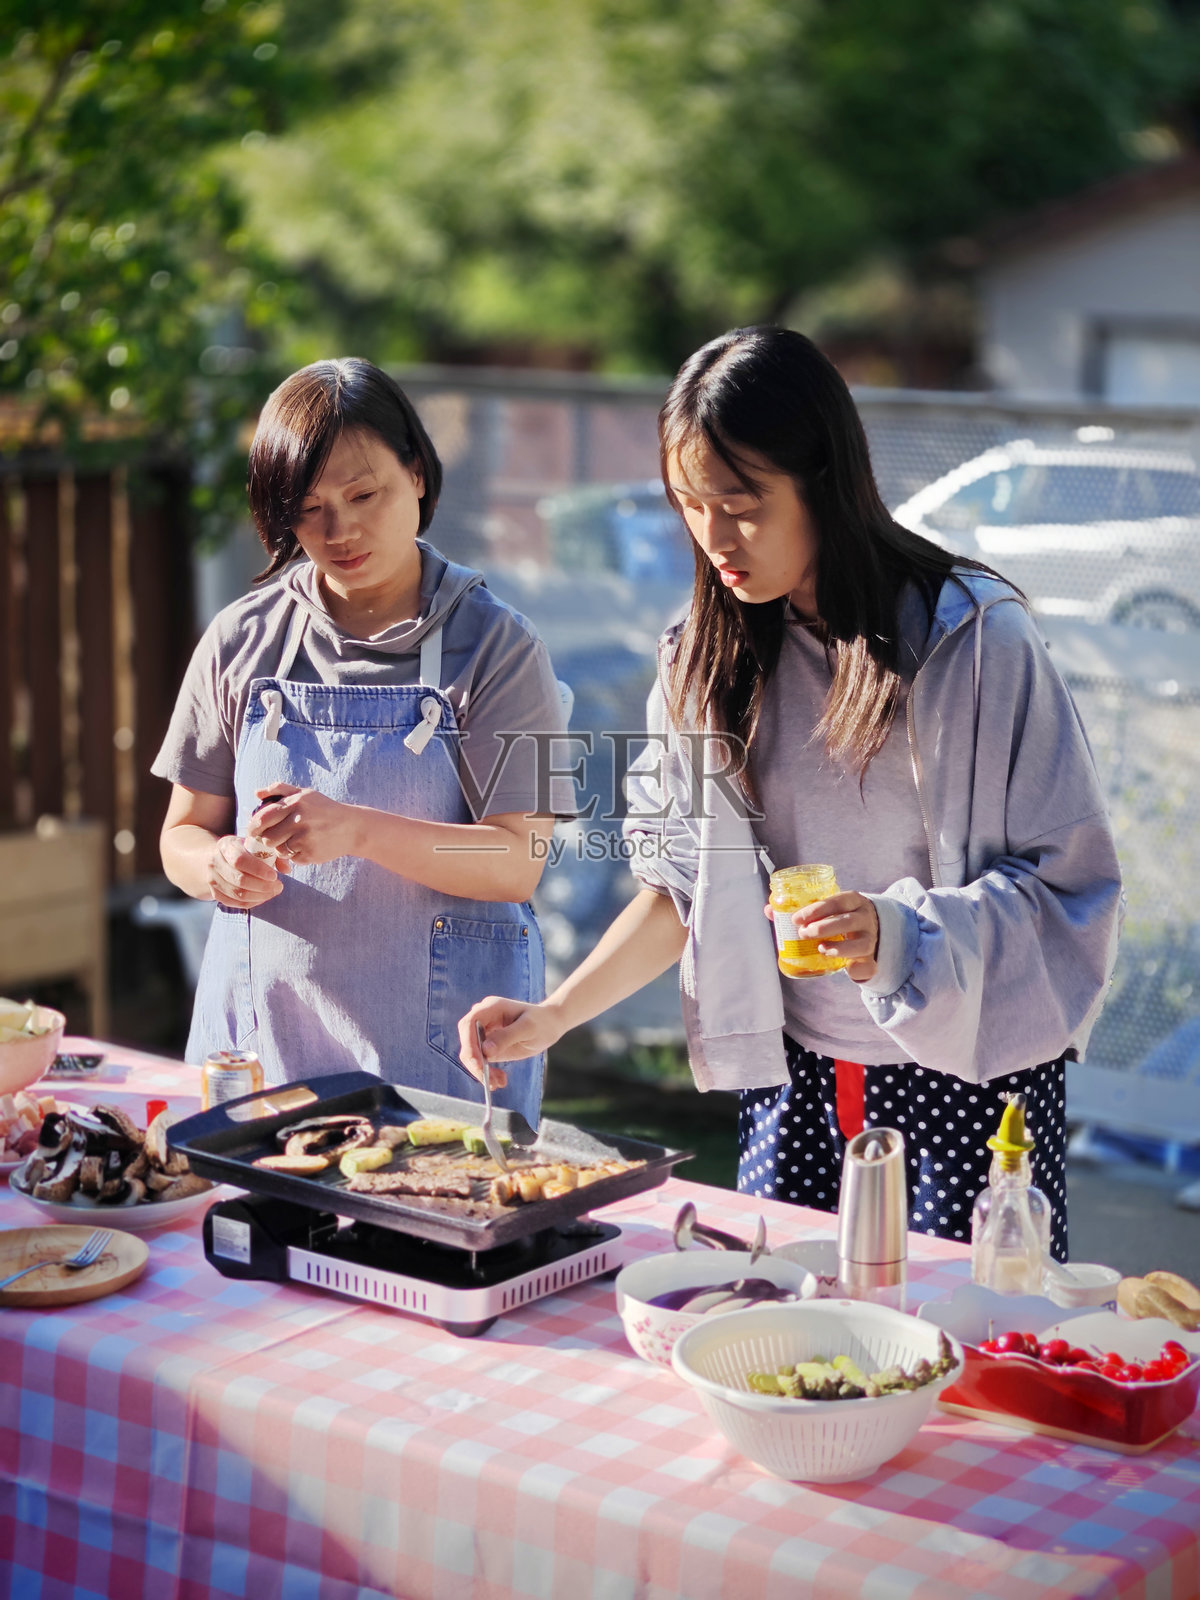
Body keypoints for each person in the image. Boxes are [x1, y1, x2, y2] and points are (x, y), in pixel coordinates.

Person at [457, 326, 1123, 1256]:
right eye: (690, 505)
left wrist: (897, 933)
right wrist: (554, 1016)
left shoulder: (973, 641)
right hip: (794, 1076)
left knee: (959, 1333)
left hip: (972, 1080)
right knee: (784, 1321)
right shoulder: (701, 660)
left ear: (824, 480)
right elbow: (682, 891)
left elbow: (1071, 889)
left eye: (741, 506)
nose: (714, 537)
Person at [154, 358, 568, 1125]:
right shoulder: (240, 640)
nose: (339, 531)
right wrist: (217, 865)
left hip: (442, 1065)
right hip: (259, 1054)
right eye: (309, 509)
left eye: (363, 495)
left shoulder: (498, 648)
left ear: (417, 474)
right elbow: (181, 835)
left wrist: (356, 830)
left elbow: (517, 861)